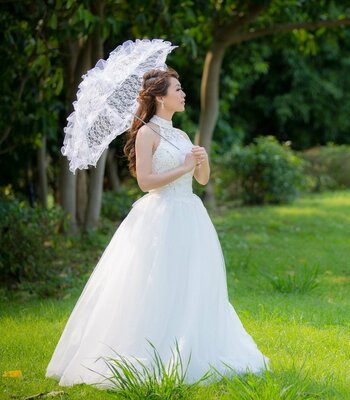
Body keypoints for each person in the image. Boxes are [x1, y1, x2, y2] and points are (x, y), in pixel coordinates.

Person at [46, 68, 269, 387]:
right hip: (160, 215)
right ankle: (150, 347)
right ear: (161, 97)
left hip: (190, 213)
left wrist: (201, 161)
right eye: (178, 89)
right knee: (155, 281)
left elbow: (200, 180)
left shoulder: (180, 135)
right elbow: (145, 182)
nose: (183, 94)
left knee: (191, 282)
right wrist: (183, 166)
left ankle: (188, 342)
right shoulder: (147, 133)